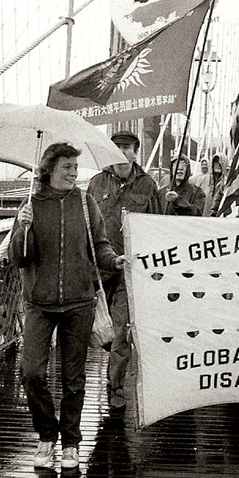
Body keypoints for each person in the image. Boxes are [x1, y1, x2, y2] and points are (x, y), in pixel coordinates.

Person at [9, 142, 125, 470]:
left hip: (78, 302)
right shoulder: (31, 204)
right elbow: (18, 257)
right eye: (67, 168)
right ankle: (47, 435)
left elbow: (98, 246)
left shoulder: (86, 203)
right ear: (49, 170)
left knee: (74, 378)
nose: (73, 173)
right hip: (39, 303)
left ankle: (70, 441)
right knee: (31, 372)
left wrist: (113, 261)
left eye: (76, 167)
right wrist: (22, 226)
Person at [86, 130, 163, 414]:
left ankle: (115, 386)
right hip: (96, 268)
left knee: (121, 331)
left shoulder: (147, 186)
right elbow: (85, 223)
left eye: (127, 148)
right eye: (116, 147)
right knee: (93, 330)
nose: (122, 152)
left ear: (135, 152)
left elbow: (157, 225)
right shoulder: (97, 183)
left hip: (128, 268)